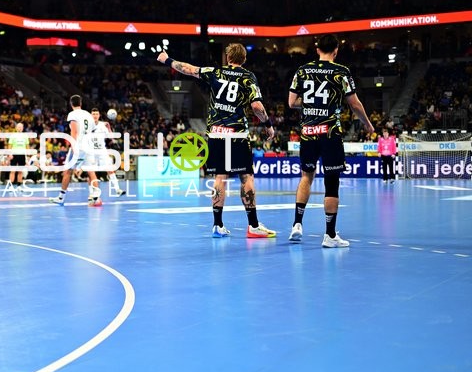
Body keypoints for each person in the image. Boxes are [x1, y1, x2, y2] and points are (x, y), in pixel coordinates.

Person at [158, 44, 276, 238]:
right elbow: (257, 106)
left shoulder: (215, 72)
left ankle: (217, 225)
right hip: (237, 135)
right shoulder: (248, 77)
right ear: (244, 59)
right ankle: (253, 226)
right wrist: (268, 124)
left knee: (220, 177)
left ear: (228, 57)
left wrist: (167, 60)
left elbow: (188, 69)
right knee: (246, 177)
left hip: (216, 133)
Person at [287, 34, 374, 247]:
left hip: (308, 132)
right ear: (336, 50)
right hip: (330, 133)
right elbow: (354, 104)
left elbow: (291, 102)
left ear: (317, 49)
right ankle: (330, 235)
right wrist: (367, 124)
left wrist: (312, 104)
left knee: (306, 176)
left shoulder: (302, 70)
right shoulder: (341, 72)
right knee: (331, 182)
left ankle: (297, 224)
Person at [50, 94, 103, 206]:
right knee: (91, 172)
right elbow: (92, 130)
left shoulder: (72, 114)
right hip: (88, 146)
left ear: (71, 104)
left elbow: (74, 132)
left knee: (67, 171)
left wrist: (74, 147)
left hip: (78, 146)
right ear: (81, 103)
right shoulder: (88, 114)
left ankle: (61, 198)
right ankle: (97, 198)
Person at [90, 108, 126, 196]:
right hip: (91, 152)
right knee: (91, 172)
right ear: (91, 115)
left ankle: (117, 189)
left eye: (96, 114)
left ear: (99, 115)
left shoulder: (103, 125)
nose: (95, 116)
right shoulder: (87, 125)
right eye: (93, 114)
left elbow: (111, 138)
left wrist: (109, 128)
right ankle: (92, 193)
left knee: (110, 169)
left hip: (102, 151)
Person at [6, 121, 29, 190]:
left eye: (21, 127)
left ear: (23, 128)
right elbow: (9, 146)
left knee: (20, 171)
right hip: (14, 154)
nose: (19, 128)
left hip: (22, 155)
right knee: (13, 171)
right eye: (18, 127)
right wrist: (10, 154)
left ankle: (19, 186)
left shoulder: (25, 136)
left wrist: (27, 156)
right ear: (16, 128)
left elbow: (27, 147)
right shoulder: (12, 136)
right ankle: (11, 186)